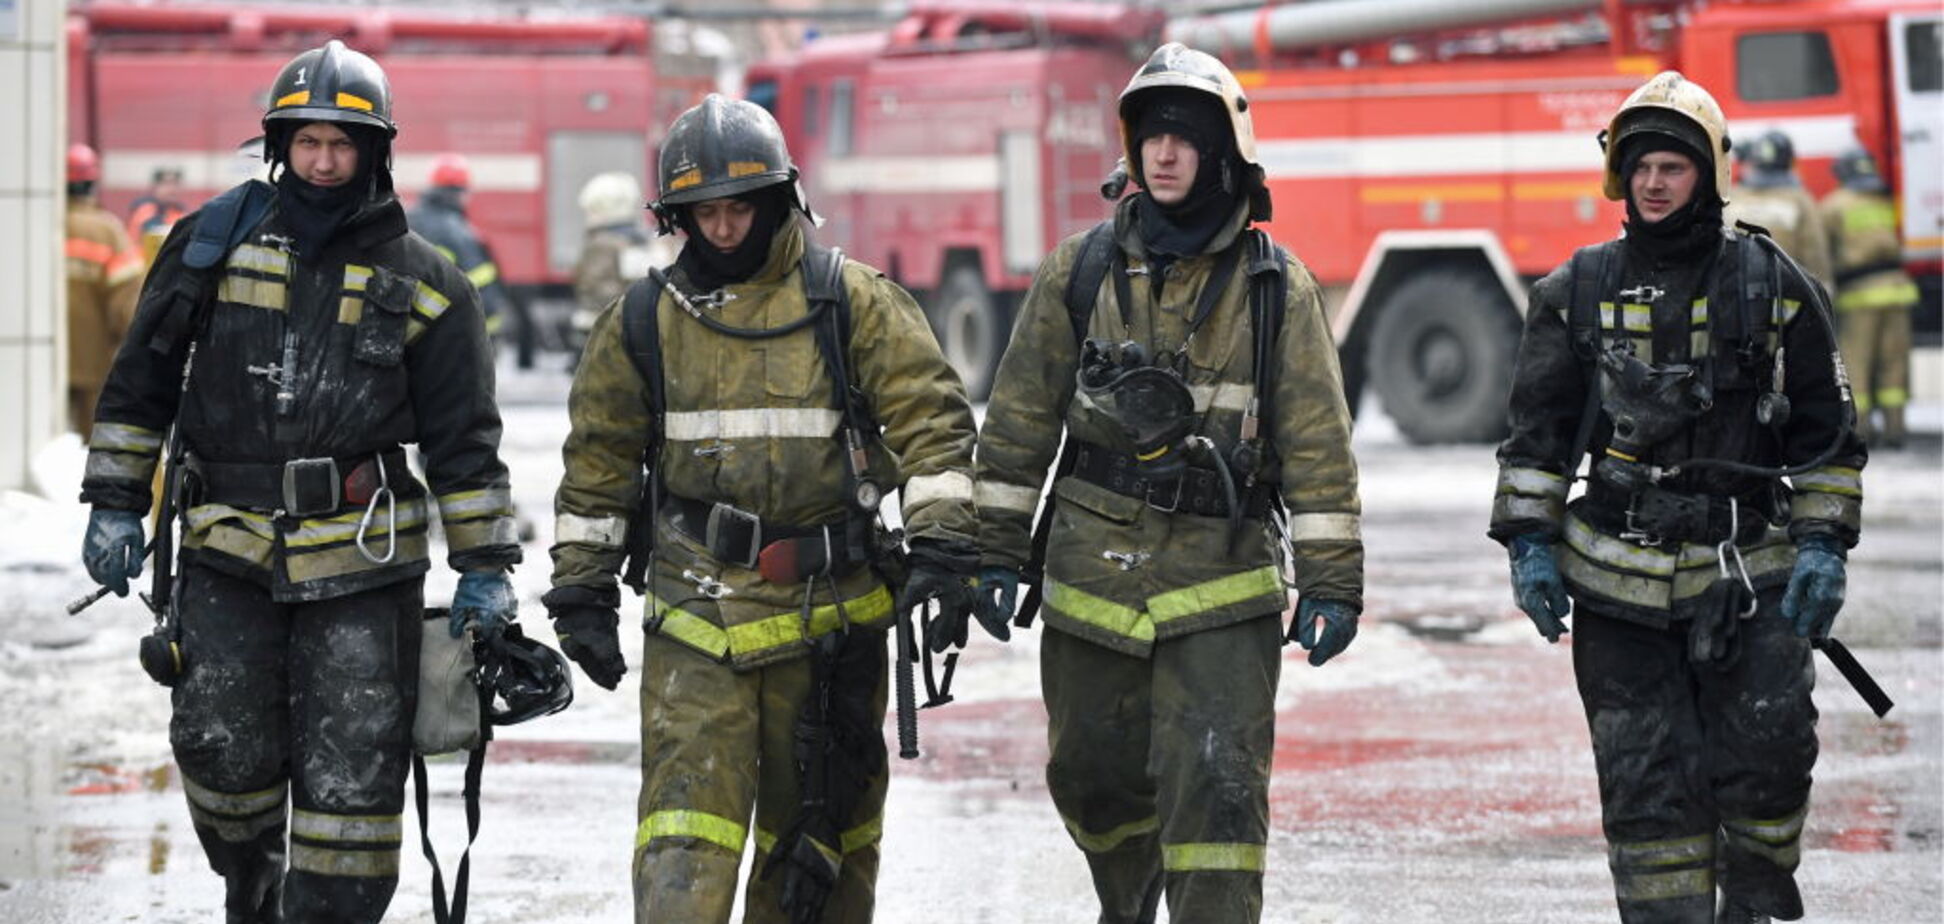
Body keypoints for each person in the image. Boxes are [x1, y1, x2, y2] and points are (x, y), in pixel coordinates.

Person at [78, 40, 521, 924]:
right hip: (226, 555)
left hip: (363, 571)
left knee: (352, 788)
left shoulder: (427, 282)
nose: (323, 160)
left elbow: (464, 441)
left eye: (342, 144)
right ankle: (253, 883)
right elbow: (140, 385)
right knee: (220, 755)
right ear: (281, 143)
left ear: (375, 153)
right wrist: (115, 503)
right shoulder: (208, 247)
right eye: (307, 140)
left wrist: (484, 565)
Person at [543, 94, 978, 922]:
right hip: (697, 616)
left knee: (820, 864)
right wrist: (582, 589)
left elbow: (934, 426)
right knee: (683, 850)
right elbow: (597, 466)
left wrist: (945, 552)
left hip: (834, 622)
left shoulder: (854, 303)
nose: (724, 227)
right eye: (704, 211)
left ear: (780, 200)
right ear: (678, 215)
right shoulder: (641, 323)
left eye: (741, 205)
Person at [972, 43, 1364, 924]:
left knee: (1219, 798)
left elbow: (1318, 447)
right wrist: (991, 551)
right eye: (1152, 136)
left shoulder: (1277, 291)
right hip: (1089, 580)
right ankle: (1127, 901)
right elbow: (1017, 425)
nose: (1166, 153)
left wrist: (1334, 581)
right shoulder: (1078, 274)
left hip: (1222, 589)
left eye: (1186, 137)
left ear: (1225, 153)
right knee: (1090, 782)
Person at [1489, 71, 1865, 924]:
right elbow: (1534, 441)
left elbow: (1827, 440)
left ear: (1710, 175)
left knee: (1769, 756)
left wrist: (1822, 545)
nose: (1655, 183)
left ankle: (1755, 894)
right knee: (1645, 788)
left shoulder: (1776, 288)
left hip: (1750, 576)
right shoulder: (1572, 294)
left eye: (1674, 166)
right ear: (1619, 177)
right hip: (1618, 588)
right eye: (1641, 167)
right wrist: (1529, 544)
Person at [1820, 145, 1919, 447]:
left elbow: (1823, 253)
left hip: (1858, 295)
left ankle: (1860, 433)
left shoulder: (1833, 205)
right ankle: (1895, 430)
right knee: (1894, 363)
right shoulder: (1885, 201)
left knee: (1857, 365)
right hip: (1898, 290)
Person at [406, 152, 527, 361]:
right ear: (460, 193)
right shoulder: (459, 233)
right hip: (452, 338)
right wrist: (489, 335)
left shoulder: (408, 220)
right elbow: (482, 288)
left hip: (409, 332)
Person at [64, 142, 146, 434]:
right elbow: (127, 306)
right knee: (89, 448)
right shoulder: (107, 232)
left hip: (42, 374)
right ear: (91, 183)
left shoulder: (39, 226)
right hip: (93, 368)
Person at [569, 170, 664, 363]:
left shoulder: (602, 243)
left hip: (600, 328)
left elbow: (591, 287)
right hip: (635, 327)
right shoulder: (639, 240)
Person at [1724, 129, 1832, 291]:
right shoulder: (1800, 200)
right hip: (1785, 295)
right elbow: (1814, 252)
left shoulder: (1732, 197)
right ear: (1790, 163)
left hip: (1735, 294)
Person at [127, 164, 188, 254]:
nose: (172, 188)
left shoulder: (182, 214)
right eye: (166, 184)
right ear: (155, 187)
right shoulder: (145, 212)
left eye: (175, 184)